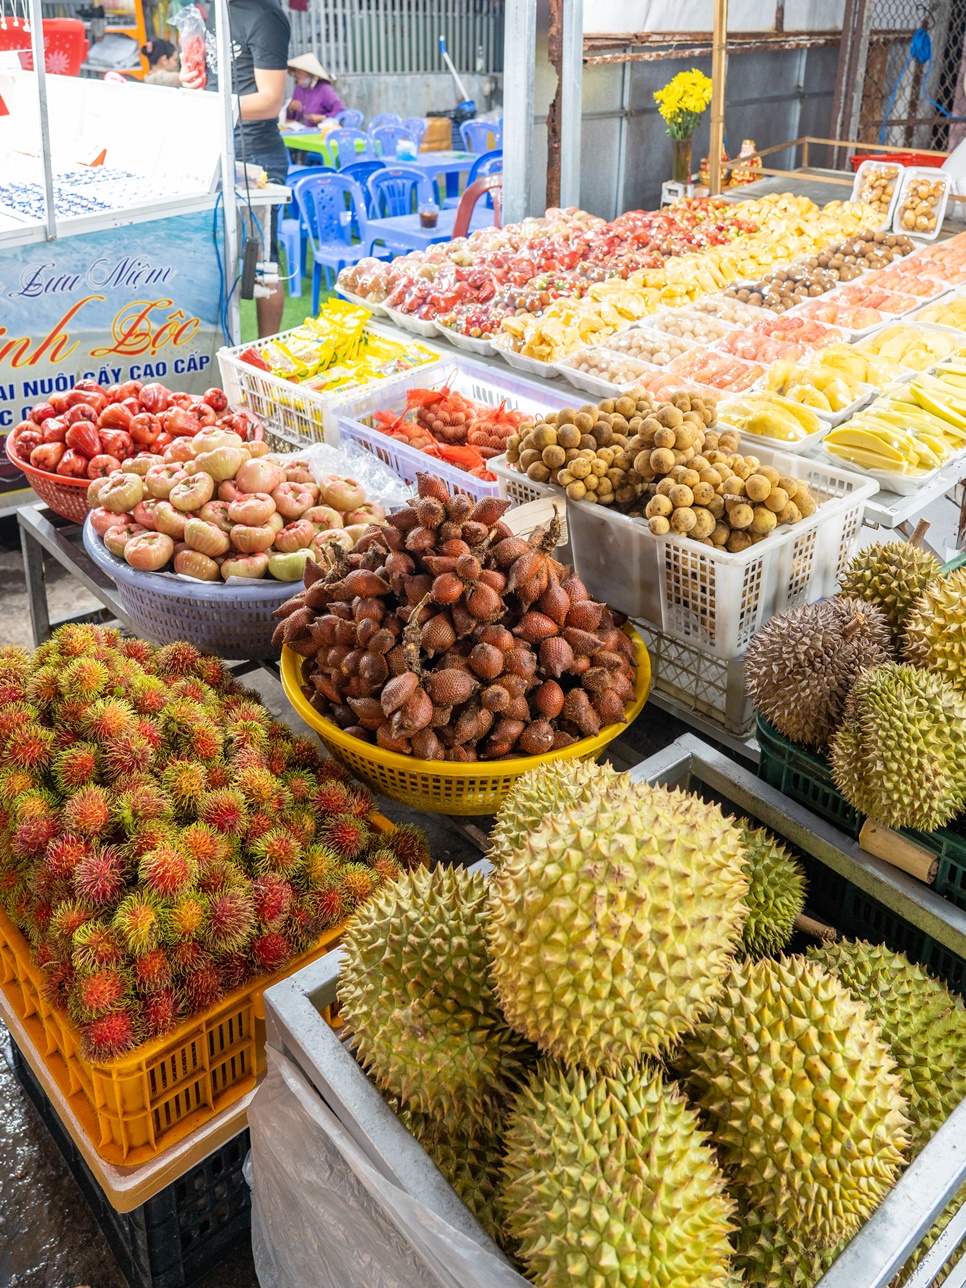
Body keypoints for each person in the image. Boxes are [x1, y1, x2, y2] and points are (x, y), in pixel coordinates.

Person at [181, 0, 291, 339]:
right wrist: (189, 80)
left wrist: (210, 107)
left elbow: (271, 99)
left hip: (258, 156)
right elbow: (217, 79)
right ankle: (219, 347)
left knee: (263, 267)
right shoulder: (216, 9)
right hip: (215, 150)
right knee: (214, 256)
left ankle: (264, 352)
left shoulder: (265, 16)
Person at [286, 53, 344, 126]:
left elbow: (340, 110)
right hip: (299, 131)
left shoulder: (324, 88)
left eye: (301, 72)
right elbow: (290, 118)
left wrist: (322, 117)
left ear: (310, 74)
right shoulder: (298, 89)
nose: (297, 75)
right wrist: (290, 108)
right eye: (296, 71)